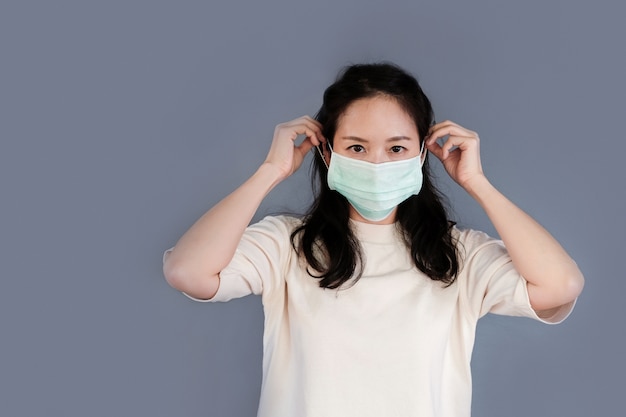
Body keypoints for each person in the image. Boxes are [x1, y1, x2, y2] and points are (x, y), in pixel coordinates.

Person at [162, 62, 584, 417]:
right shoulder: (286, 246)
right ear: (327, 153)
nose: (377, 163)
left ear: (422, 153)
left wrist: (477, 182)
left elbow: (560, 285)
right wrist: (269, 171)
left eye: (397, 148)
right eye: (357, 148)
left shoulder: (457, 256)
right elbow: (188, 270)